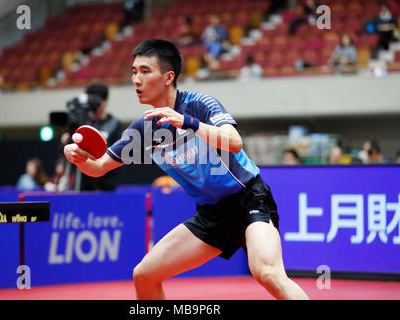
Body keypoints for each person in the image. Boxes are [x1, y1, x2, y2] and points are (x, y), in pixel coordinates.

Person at [64, 39, 309, 300]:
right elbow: (99, 167)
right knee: (144, 275)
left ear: (168, 77)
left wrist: (189, 123)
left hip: (249, 199)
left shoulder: (199, 105)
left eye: (145, 71)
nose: (136, 78)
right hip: (211, 215)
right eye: (134, 71)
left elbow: (235, 142)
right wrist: (78, 158)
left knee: (267, 273)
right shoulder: (144, 129)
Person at [62, 82, 124, 191]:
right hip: (82, 182)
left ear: (105, 100)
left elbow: (118, 152)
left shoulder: (115, 124)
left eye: (95, 99)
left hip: (106, 183)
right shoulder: (82, 122)